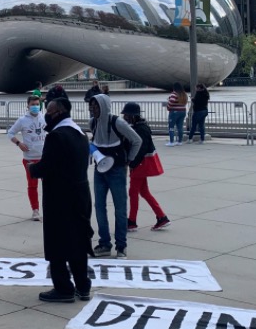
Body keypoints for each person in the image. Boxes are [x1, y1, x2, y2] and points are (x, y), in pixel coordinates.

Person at [29, 97, 95, 303]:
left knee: (58, 242)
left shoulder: (57, 136)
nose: (46, 114)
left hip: (60, 197)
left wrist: (32, 168)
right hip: (80, 194)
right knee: (78, 241)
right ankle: (83, 286)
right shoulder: (80, 133)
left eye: (49, 111)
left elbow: (47, 167)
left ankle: (63, 288)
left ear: (59, 113)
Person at [88, 93, 142, 259]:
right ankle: (104, 244)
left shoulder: (117, 122)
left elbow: (137, 140)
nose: (93, 109)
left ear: (104, 106)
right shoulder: (93, 123)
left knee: (120, 208)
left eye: (96, 105)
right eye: (91, 105)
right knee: (99, 207)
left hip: (117, 171)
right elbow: (95, 141)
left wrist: (129, 161)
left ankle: (121, 246)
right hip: (100, 171)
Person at [122, 102, 170, 231]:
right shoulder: (140, 126)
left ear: (133, 116)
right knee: (143, 192)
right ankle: (161, 217)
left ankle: (132, 221)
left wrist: (132, 163)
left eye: (126, 115)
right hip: (142, 163)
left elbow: (140, 149)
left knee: (133, 192)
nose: (124, 117)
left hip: (140, 164)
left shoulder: (140, 129)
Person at [7, 95, 47, 221]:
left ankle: (49, 208)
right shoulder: (22, 120)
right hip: (30, 158)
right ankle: (35, 210)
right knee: (32, 185)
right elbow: (10, 133)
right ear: (28, 106)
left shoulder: (45, 118)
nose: (35, 106)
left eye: (37, 104)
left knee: (48, 185)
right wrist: (19, 143)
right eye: (33, 104)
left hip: (45, 157)